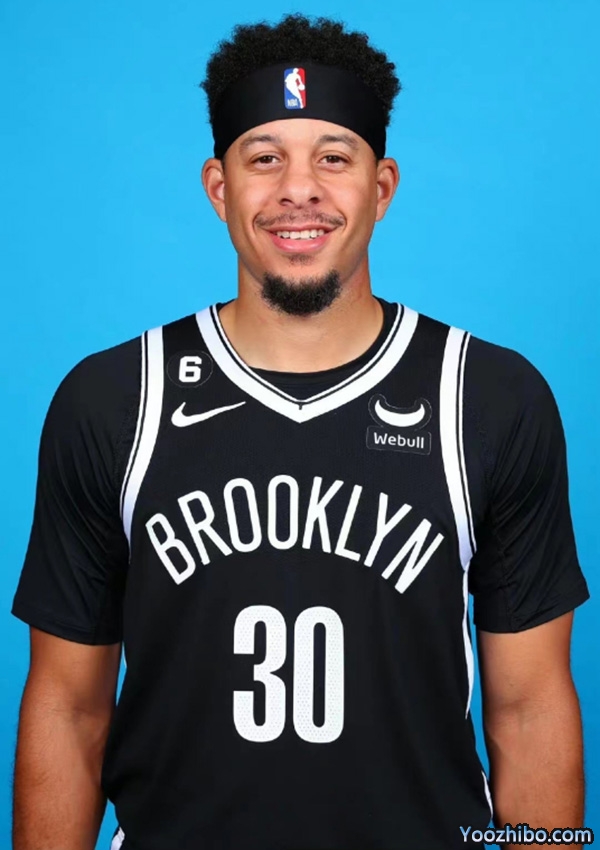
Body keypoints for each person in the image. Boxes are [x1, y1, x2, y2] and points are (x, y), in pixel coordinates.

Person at [11, 14, 589, 850]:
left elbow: (529, 707)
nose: (299, 190)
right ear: (219, 187)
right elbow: (68, 708)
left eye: (333, 157)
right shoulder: (114, 401)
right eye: (264, 158)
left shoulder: (488, 398)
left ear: (381, 187)